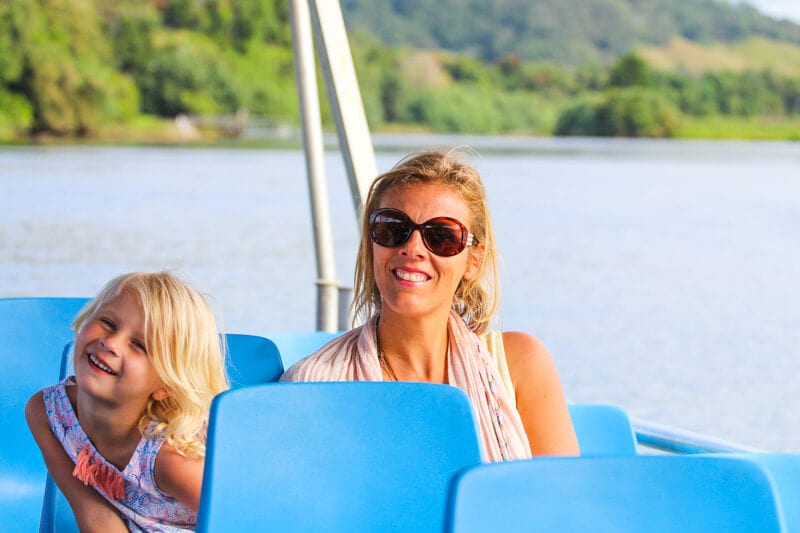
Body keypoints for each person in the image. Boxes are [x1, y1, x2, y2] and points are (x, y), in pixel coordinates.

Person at [281, 149, 579, 461]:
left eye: (442, 236)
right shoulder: (313, 382)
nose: (412, 248)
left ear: (472, 261)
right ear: (372, 245)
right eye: (392, 228)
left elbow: (564, 502)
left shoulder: (519, 365)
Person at [26, 271, 229, 532]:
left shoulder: (172, 462)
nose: (111, 343)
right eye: (108, 322)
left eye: (139, 345)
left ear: (165, 386)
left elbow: (249, 521)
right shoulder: (49, 413)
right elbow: (94, 514)